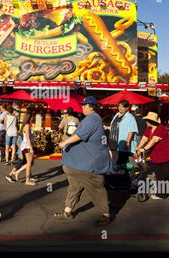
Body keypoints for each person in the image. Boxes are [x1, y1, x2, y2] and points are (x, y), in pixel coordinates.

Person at [55, 96, 113, 227]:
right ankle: (67, 211)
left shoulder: (93, 118)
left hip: (89, 164)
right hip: (79, 164)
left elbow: (80, 135)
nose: (82, 107)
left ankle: (106, 215)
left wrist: (64, 142)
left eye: (84, 105)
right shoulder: (89, 118)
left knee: (96, 189)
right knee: (74, 186)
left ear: (91, 106)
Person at [135, 112, 169, 200]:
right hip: (156, 157)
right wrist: (138, 147)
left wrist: (143, 149)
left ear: (151, 121)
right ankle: (162, 194)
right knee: (160, 177)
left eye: (147, 120)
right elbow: (145, 138)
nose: (146, 122)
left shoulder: (161, 129)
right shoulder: (149, 128)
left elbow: (154, 140)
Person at [6, 113, 37, 185]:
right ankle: (27, 180)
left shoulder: (26, 125)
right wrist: (31, 148)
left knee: (30, 163)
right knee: (29, 163)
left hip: (26, 145)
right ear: (29, 118)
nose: (33, 119)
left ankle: (17, 172)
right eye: (32, 117)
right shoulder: (27, 126)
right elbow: (28, 138)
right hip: (27, 146)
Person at [106, 100, 138, 165]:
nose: (120, 108)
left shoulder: (130, 117)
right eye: (119, 106)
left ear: (127, 108)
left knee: (123, 161)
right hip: (113, 141)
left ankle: (124, 173)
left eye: (122, 107)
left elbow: (131, 130)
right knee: (115, 160)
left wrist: (127, 142)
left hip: (122, 142)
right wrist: (107, 127)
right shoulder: (117, 115)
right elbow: (115, 127)